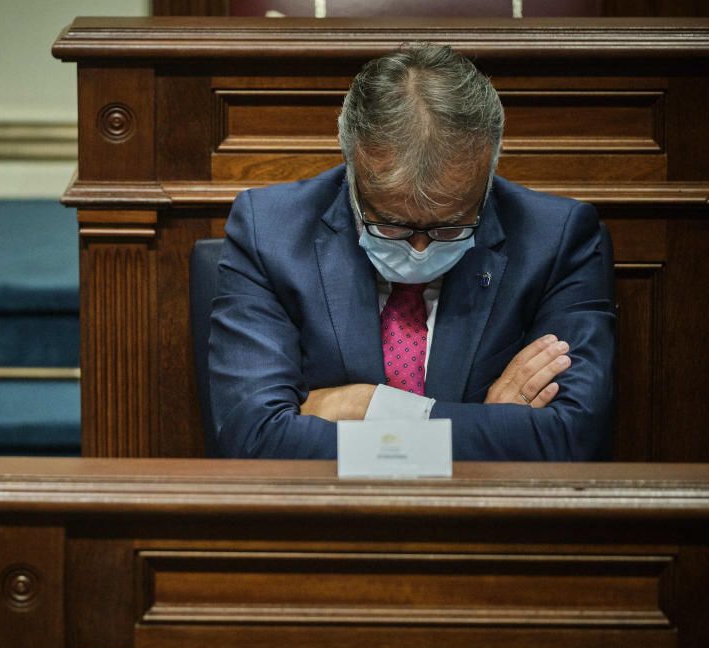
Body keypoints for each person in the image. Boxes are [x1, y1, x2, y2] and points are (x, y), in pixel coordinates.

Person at [208, 43, 615, 461]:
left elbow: (570, 437)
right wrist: (487, 426)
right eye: (390, 223)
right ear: (352, 166)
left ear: (490, 167)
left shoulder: (557, 238)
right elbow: (254, 437)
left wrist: (371, 408)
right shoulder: (270, 231)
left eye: (450, 224)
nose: (419, 248)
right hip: (325, 519)